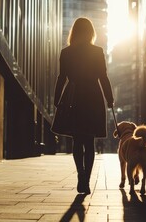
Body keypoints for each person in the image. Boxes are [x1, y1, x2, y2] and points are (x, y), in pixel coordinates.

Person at [53, 17, 114, 194]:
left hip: (73, 97)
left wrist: (58, 100)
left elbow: (61, 78)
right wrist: (109, 98)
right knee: (89, 140)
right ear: (90, 33)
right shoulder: (97, 51)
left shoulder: (66, 52)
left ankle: (80, 175)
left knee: (77, 140)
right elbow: (103, 77)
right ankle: (86, 179)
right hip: (93, 97)